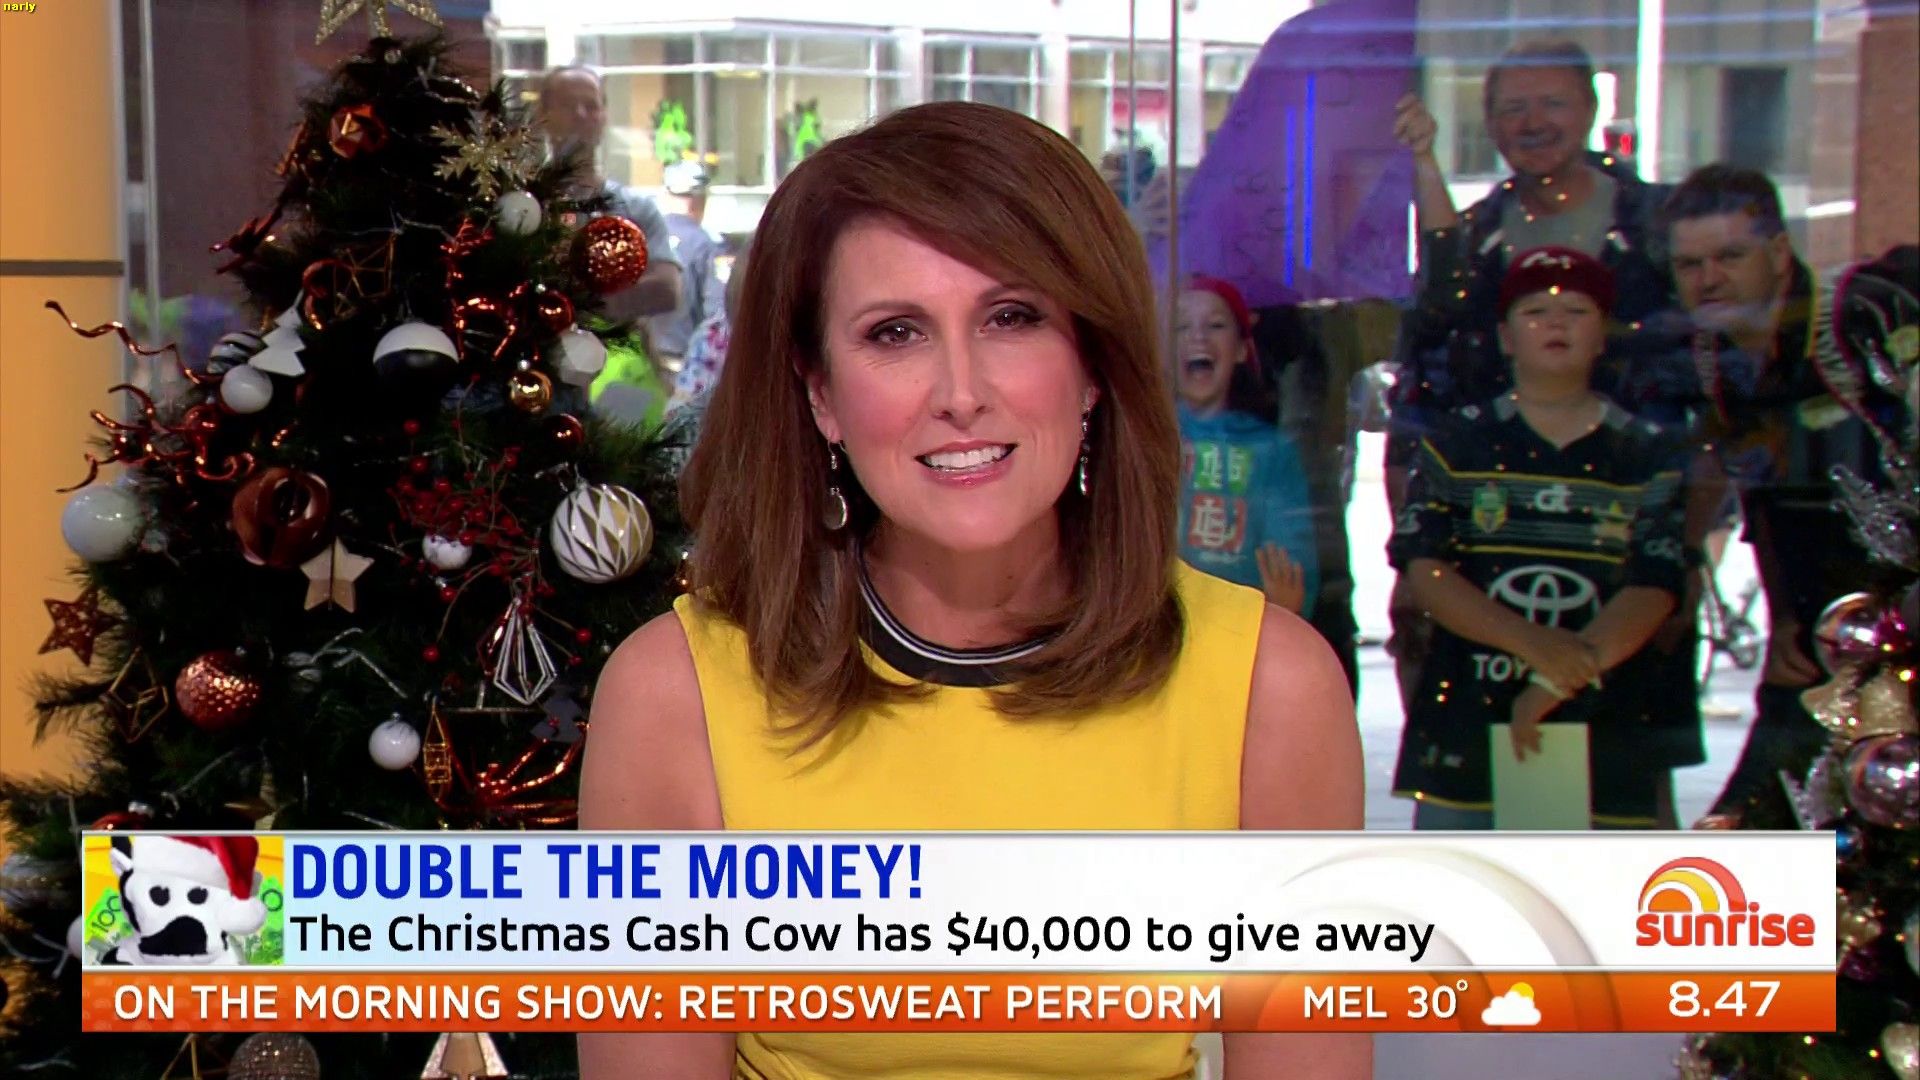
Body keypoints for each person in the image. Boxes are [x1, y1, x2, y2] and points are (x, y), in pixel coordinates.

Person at [580, 100, 1367, 1080]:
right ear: (821, 394)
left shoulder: (1269, 688)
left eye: (1011, 317)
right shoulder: (675, 695)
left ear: (1092, 364)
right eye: (895, 332)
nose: (961, 392)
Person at [1386, 37, 1677, 716]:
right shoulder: (1468, 239)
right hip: (1485, 551)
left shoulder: (1658, 229)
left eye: (1553, 103)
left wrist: (1687, 547)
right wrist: (1413, 550)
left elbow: (1701, 385)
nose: (1533, 122)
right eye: (1514, 108)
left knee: (1611, 762)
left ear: (1591, 109)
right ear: (1489, 122)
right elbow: (1421, 391)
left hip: (1621, 548)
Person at [1640, 166, 1915, 824]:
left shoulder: (1861, 317)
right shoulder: (1710, 357)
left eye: (1730, 256)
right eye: (1690, 264)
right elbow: (1761, 496)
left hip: (1901, 628)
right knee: (1748, 834)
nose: (1709, 279)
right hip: (1820, 643)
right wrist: (1787, 617)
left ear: (1779, 252)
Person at [1389, 247, 1686, 830]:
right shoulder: (1457, 443)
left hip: (1606, 720)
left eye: (1576, 311)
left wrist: (1556, 678)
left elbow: (1654, 584)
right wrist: (1533, 644)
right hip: (1468, 715)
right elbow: (1424, 568)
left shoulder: (1644, 452)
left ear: (1603, 335)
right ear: (1505, 337)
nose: (1555, 324)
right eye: (1534, 312)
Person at [1174, 276, 1320, 616]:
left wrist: (1285, 612)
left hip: (1242, 632)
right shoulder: (1142, 437)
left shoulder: (1270, 451)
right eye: (1181, 327)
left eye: (1216, 325)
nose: (1198, 336)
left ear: (1241, 348)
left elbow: (1294, 572)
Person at [536, 65, 682, 325]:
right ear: (543, 116)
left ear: (604, 118)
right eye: (567, 105)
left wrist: (581, 305)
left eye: (591, 106)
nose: (580, 115)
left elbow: (668, 289)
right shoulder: (524, 207)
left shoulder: (637, 209)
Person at [649, 159, 727, 374]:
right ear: (700, 199)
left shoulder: (642, 238)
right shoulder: (708, 245)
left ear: (666, 194)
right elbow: (718, 313)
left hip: (642, 362)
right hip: (686, 365)